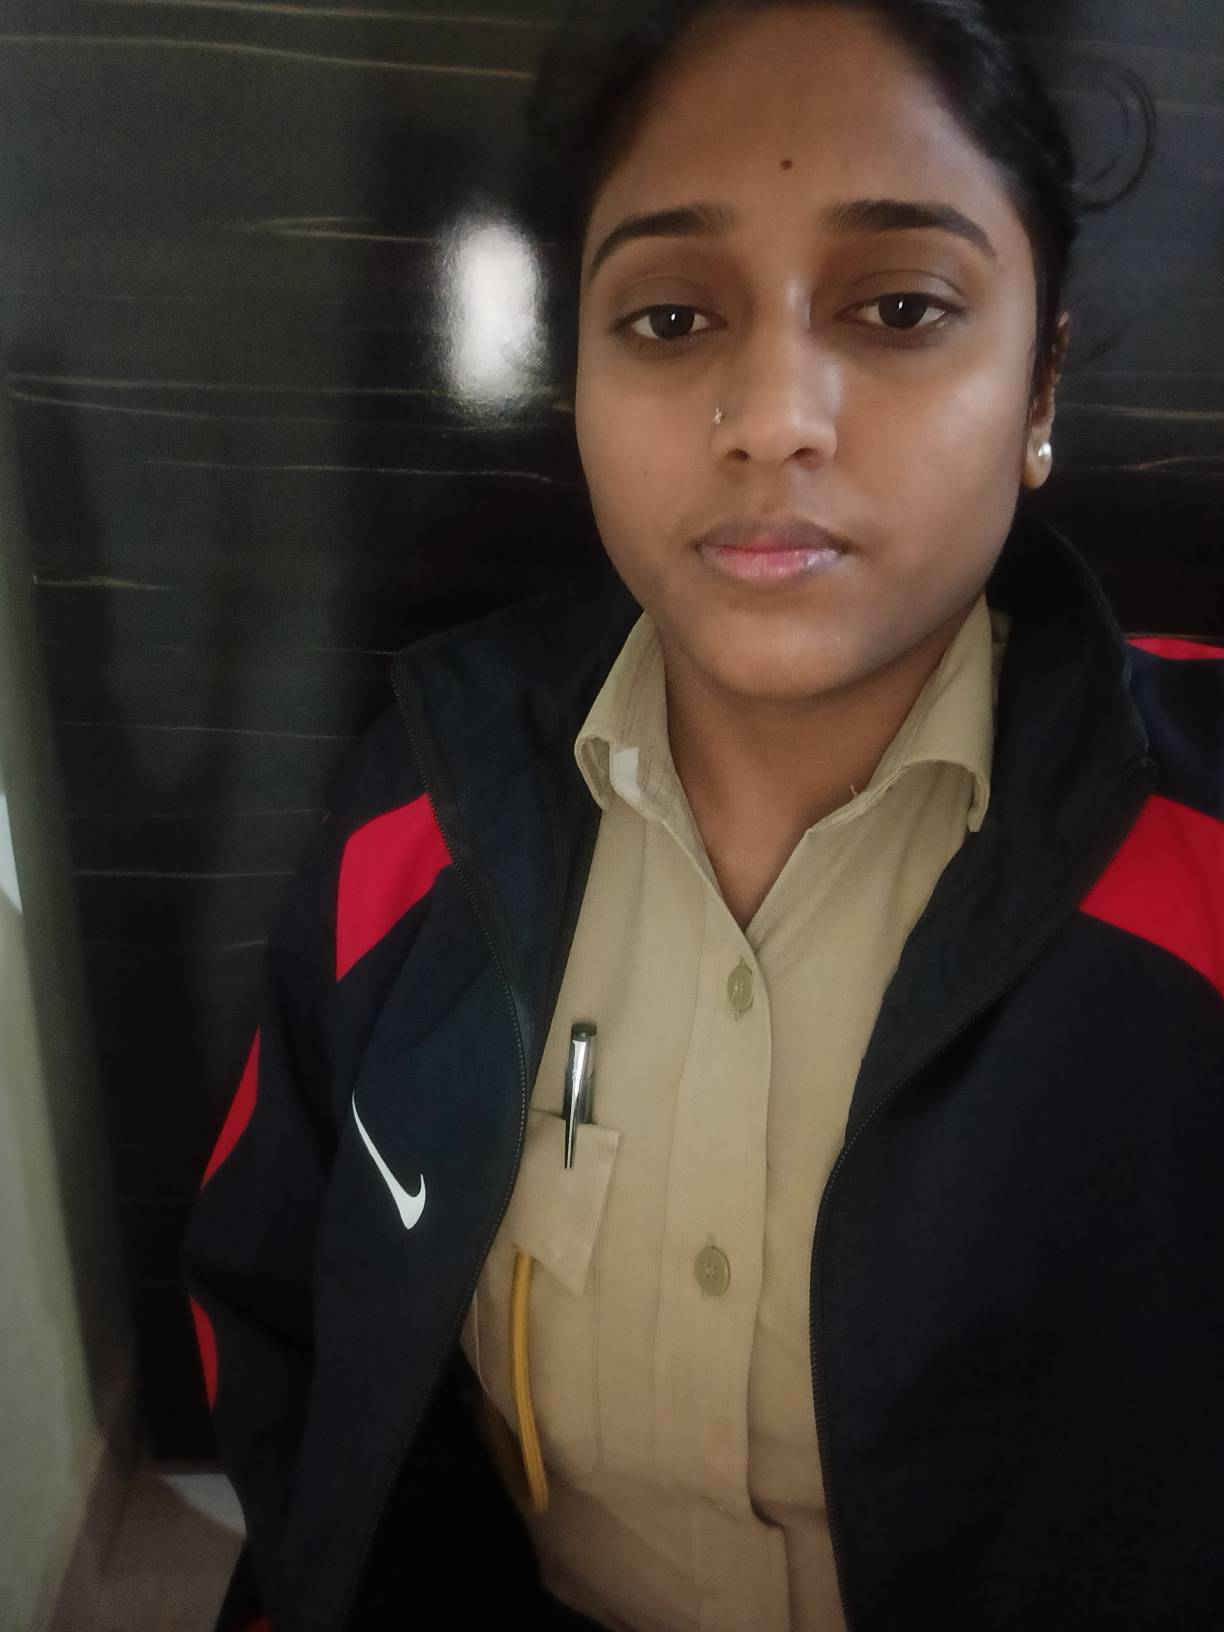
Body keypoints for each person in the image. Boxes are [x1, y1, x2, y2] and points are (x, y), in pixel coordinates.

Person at [181, 3, 1224, 1629]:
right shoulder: (416, 813)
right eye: (670, 318)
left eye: (899, 306)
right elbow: (277, 1315)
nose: (772, 414)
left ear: (1042, 381)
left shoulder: (1203, 850)